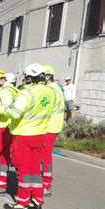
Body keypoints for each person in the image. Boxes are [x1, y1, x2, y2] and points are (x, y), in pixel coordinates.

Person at [0, 63, 55, 209]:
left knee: (23, 170)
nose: (24, 80)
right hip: (41, 134)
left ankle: (23, 202)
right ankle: (37, 202)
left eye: (26, 78)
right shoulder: (49, 92)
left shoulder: (27, 93)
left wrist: (3, 109)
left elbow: (16, 113)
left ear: (30, 78)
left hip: (24, 135)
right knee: (36, 169)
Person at [43, 65, 65, 197]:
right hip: (52, 127)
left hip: (49, 127)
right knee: (43, 156)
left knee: (45, 157)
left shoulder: (51, 90)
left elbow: (43, 108)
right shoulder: (55, 89)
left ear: (48, 76)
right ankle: (44, 182)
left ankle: (46, 185)